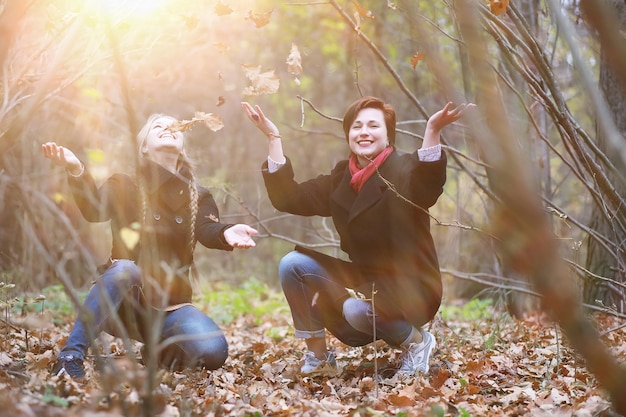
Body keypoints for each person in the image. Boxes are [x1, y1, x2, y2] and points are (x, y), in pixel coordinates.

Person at [241, 97, 474, 377]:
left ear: (388, 135)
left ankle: (418, 343)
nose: (364, 131)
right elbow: (289, 198)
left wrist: (432, 130)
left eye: (373, 125)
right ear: (348, 135)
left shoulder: (404, 170)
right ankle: (319, 357)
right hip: (366, 281)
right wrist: (273, 137)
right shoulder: (341, 177)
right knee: (292, 264)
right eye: (356, 126)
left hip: (412, 285)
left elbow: (427, 188)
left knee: (354, 309)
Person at [41, 113, 258, 380]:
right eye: (158, 126)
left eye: (174, 126)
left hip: (172, 308)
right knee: (126, 269)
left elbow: (206, 230)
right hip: (123, 302)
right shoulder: (124, 184)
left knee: (213, 350)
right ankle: (71, 356)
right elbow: (93, 209)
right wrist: (76, 169)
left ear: (182, 146)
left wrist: (226, 232)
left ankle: (153, 353)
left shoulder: (199, 196)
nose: (167, 128)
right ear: (144, 145)